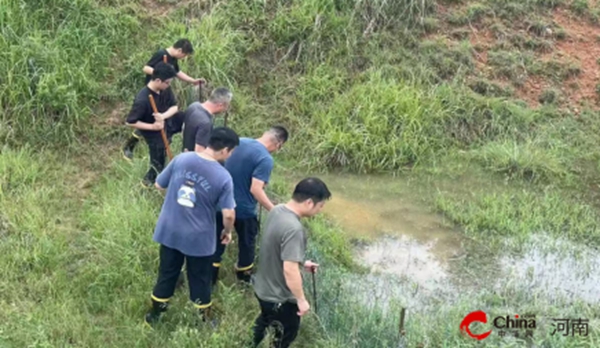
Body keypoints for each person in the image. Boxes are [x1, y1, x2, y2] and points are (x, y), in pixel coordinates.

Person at [144, 127, 240, 326]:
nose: (230, 156)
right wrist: (227, 231)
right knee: (200, 279)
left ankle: (154, 316)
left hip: (169, 229)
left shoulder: (181, 159)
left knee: (167, 273)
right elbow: (229, 213)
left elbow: (159, 185)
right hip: (198, 238)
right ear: (224, 150)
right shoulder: (223, 177)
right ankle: (203, 321)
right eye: (231, 152)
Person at [251, 177, 332, 348]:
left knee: (264, 322)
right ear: (309, 202)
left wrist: (301, 262)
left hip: (262, 288)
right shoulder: (294, 228)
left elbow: (276, 248)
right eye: (320, 206)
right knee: (284, 337)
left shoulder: (277, 210)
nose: (319, 210)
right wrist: (301, 300)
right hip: (279, 298)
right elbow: (289, 270)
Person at [211, 126, 289, 285]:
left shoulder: (239, 142)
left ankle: (210, 278)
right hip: (244, 210)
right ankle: (243, 277)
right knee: (247, 244)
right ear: (278, 144)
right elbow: (256, 189)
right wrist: (274, 210)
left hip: (221, 205)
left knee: (217, 241)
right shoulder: (265, 159)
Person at [122, 38, 205, 160]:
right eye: (184, 55)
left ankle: (163, 141)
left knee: (162, 118)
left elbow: (177, 72)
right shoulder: (161, 54)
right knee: (150, 120)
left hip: (162, 93)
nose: (184, 57)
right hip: (153, 92)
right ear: (180, 50)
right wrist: (159, 74)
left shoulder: (173, 59)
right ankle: (129, 146)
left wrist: (192, 80)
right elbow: (145, 68)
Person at [125, 62, 181, 187]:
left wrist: (163, 116)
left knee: (163, 156)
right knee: (157, 166)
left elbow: (174, 106)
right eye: (167, 82)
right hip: (153, 136)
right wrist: (153, 127)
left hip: (165, 125)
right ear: (157, 80)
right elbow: (130, 122)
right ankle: (144, 188)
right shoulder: (143, 99)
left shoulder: (165, 89)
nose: (169, 85)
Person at [181, 87, 233, 153]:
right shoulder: (205, 123)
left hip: (185, 155)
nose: (225, 109)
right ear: (220, 105)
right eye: (226, 106)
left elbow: (183, 129)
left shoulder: (193, 106)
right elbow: (200, 152)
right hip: (194, 161)